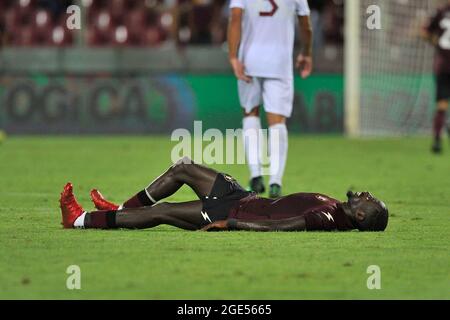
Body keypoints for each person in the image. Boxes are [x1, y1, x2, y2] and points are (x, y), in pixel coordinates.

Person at [60, 157, 389, 232]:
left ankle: (80, 219)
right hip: (243, 199)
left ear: (361, 215)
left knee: (163, 212)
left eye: (370, 199)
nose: (367, 193)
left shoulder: (328, 218)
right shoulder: (337, 209)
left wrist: (231, 225)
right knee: (183, 168)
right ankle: (118, 208)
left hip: (234, 214)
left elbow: (285, 226)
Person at [228, 0, 313, 197]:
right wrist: (307, 53)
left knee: (250, 114)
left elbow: (235, 19)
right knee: (277, 122)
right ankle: (275, 181)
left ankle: (256, 175)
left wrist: (233, 57)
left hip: (249, 60)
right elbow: (306, 25)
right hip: (280, 62)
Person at [422, 1, 450, 154]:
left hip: (443, 65)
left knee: (441, 104)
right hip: (444, 65)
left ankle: (437, 141)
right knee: (442, 104)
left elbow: (424, 31)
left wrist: (437, 43)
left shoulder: (440, 12)